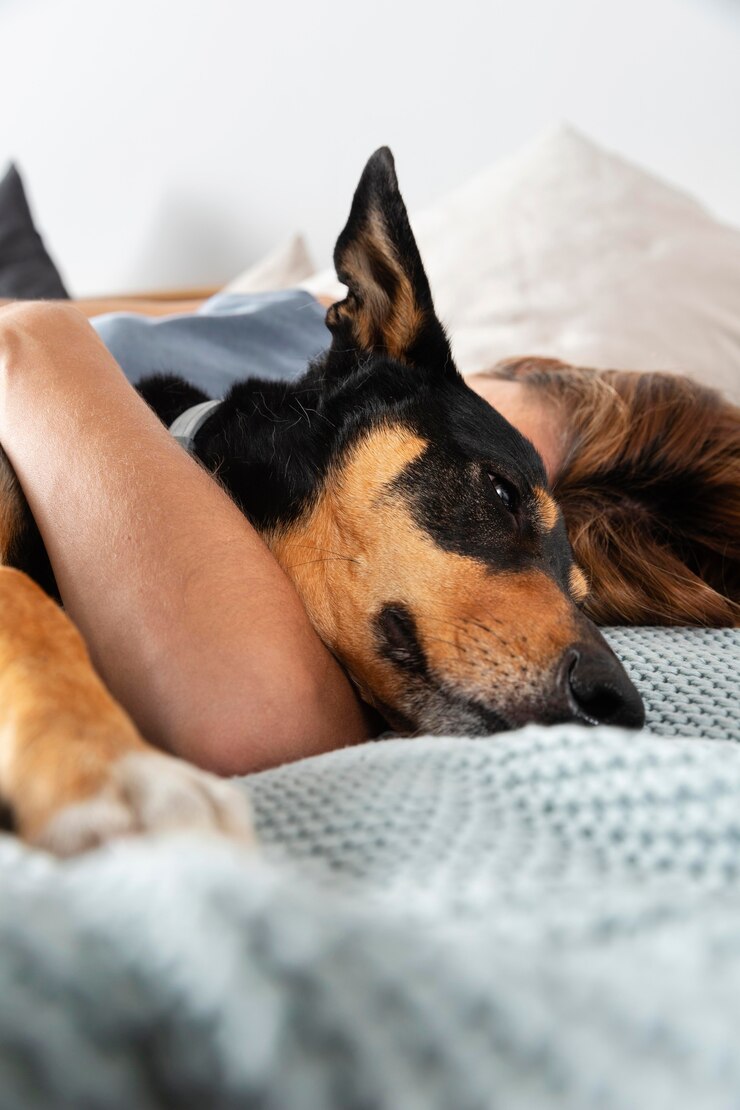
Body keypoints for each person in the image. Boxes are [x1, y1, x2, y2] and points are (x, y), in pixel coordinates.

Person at [0, 292, 737, 779]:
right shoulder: (318, 338)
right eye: (501, 486)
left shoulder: (333, 658)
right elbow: (24, 334)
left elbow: (255, 723)